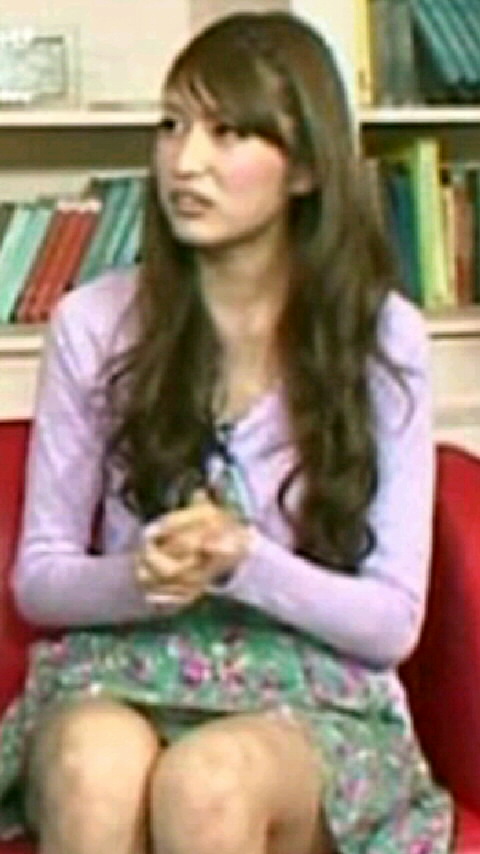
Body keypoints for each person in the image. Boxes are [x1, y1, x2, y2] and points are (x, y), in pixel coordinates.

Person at [0, 10, 452, 854]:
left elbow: (392, 622)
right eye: (172, 126)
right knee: (94, 764)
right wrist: (141, 577)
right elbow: (42, 580)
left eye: (228, 133)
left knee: (209, 780)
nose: (185, 161)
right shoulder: (94, 322)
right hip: (120, 673)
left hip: (313, 700)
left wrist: (241, 562)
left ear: (306, 168)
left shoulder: (381, 334)